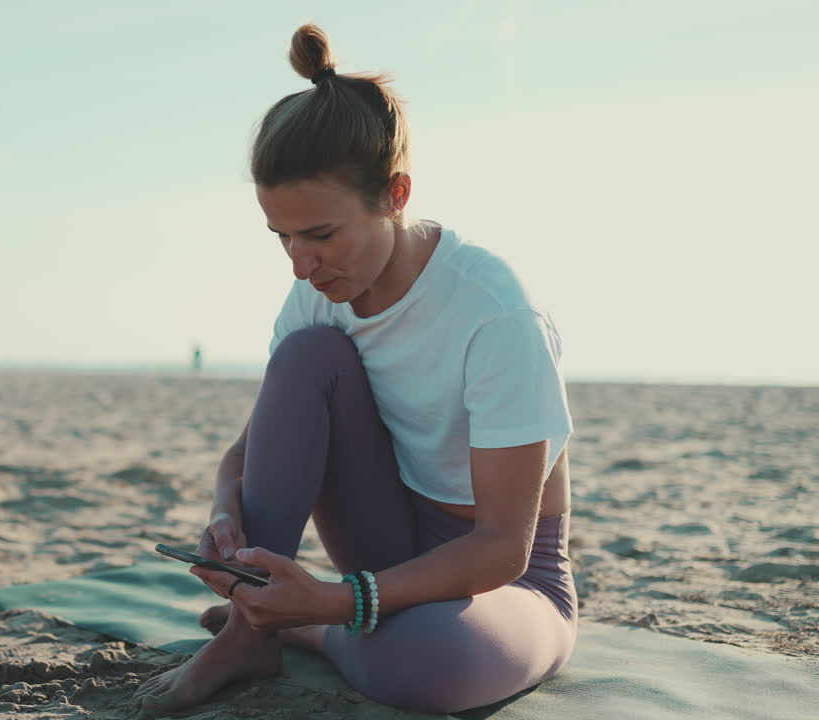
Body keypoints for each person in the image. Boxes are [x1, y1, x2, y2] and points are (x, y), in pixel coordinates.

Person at [132, 23, 576, 717]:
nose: (300, 265)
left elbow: (502, 549)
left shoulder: (494, 312)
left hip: (507, 581)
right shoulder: (317, 296)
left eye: (320, 235)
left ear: (396, 195)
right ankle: (252, 631)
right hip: (386, 539)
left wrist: (335, 602)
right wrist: (225, 514)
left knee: (430, 665)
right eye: (282, 236)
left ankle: (302, 628)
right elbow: (244, 456)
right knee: (306, 357)